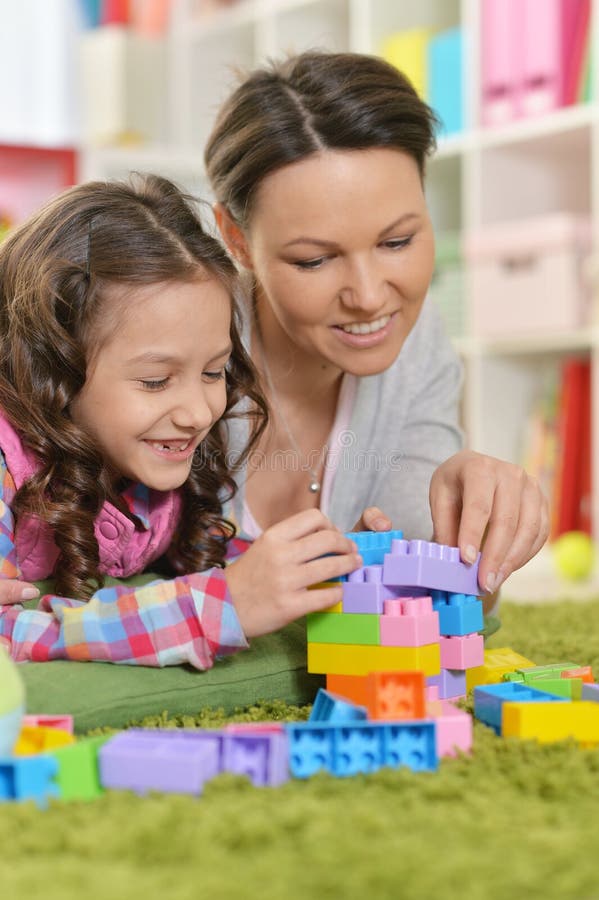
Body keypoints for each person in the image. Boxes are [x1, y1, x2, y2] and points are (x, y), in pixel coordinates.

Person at [204, 50, 549, 615]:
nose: (368, 296)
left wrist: (476, 535)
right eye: (314, 260)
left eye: (397, 242)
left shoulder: (418, 338)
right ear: (236, 239)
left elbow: (448, 598)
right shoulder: (180, 345)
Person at [0, 174, 363, 665]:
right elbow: (10, 633)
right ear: (52, 369)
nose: (198, 414)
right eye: (155, 381)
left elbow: (220, 564)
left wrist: (330, 563)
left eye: (213, 372)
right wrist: (211, 611)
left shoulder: (152, 462)